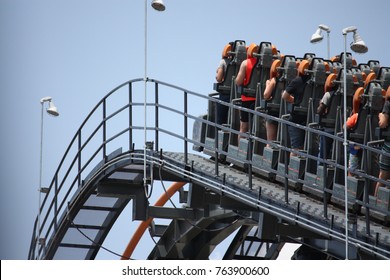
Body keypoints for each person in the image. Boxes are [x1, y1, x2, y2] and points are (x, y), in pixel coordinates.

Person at [281, 59, 311, 156]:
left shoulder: (297, 81)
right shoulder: (316, 83)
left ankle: (291, 169)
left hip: (296, 118)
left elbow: (284, 96)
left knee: (296, 148)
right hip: (310, 119)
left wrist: (295, 101)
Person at [235, 43, 258, 140]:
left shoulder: (245, 63)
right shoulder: (267, 65)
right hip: (260, 101)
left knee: (243, 127)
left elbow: (238, 81)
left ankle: (241, 151)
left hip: (247, 99)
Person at [317, 73, 338, 162]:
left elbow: (319, 111)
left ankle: (320, 168)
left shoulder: (328, 95)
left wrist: (320, 103)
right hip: (341, 131)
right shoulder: (348, 98)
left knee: (323, 154)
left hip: (328, 128)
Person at [375, 86, 390, 196]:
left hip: (389, 146)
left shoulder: (388, 104)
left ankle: (376, 202)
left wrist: (380, 115)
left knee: (383, 175)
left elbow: (383, 123)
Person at [345, 87, 364, 176]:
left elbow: (345, 126)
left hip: (356, 146)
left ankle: (350, 179)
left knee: (352, 169)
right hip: (367, 146)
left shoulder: (356, 116)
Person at [263, 59, 281, 147]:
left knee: (271, 140)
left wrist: (267, 84)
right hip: (284, 114)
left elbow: (266, 95)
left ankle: (268, 159)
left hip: (273, 112)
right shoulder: (290, 81)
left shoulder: (274, 80)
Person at [215, 42, 233, 125]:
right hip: (237, 96)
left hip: (225, 94)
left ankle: (219, 129)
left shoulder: (223, 62)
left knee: (220, 119)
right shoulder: (241, 63)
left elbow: (219, 79)